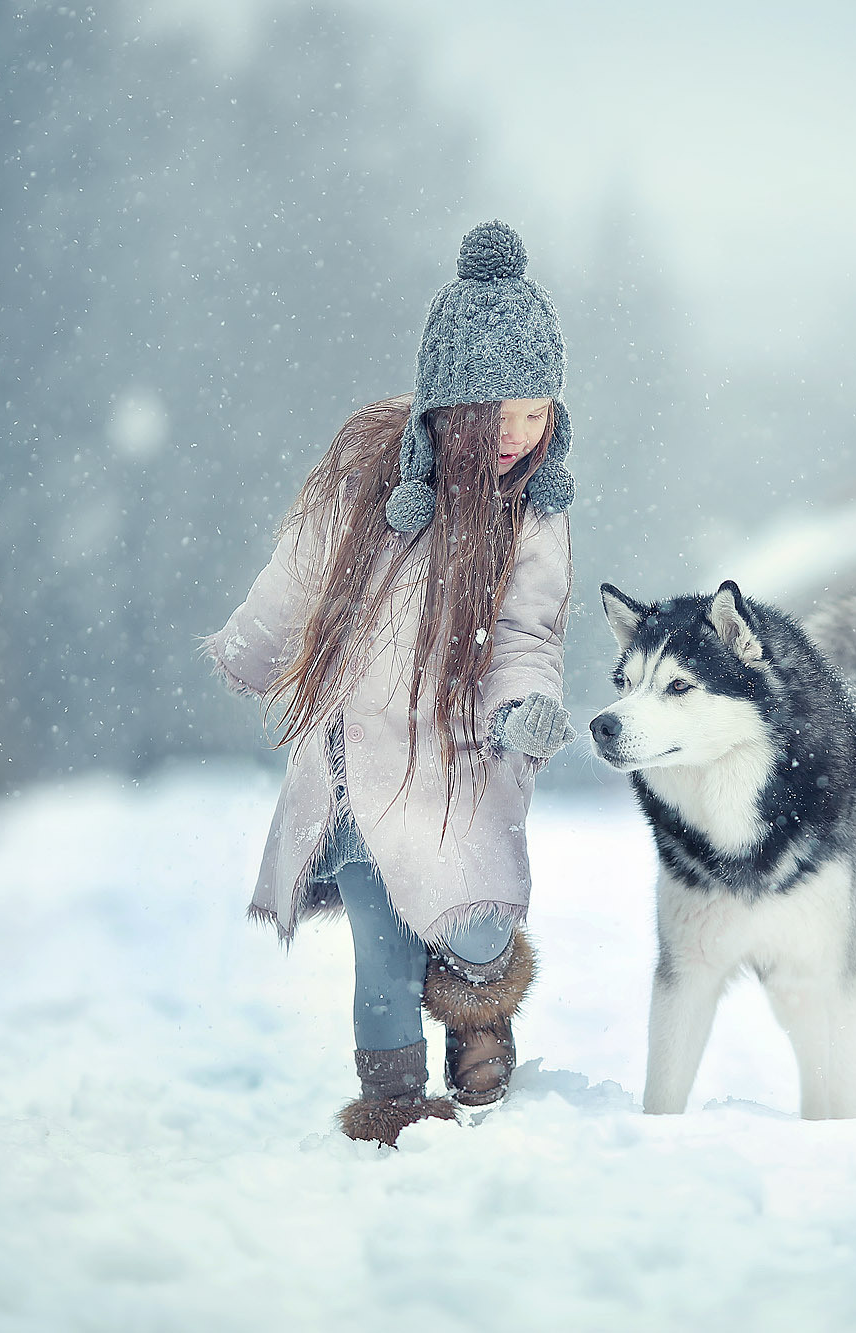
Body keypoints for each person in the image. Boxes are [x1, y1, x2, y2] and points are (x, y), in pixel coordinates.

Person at [203, 221, 575, 1147]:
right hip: (365, 759)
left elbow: (526, 632)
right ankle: (396, 1104)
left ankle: (481, 1015)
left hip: (458, 759)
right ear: (453, 406)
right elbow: (301, 567)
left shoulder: (530, 513)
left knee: (479, 926)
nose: (521, 436)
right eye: (504, 413)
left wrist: (523, 707)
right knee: (382, 951)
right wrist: (253, 646)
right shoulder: (368, 474)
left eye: (540, 414)